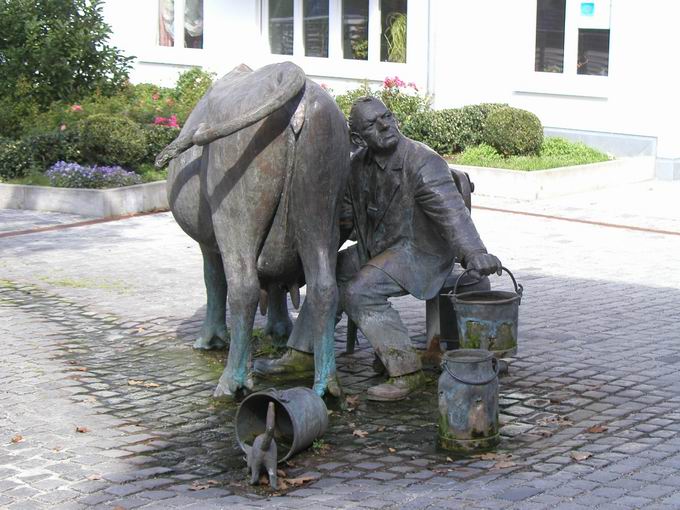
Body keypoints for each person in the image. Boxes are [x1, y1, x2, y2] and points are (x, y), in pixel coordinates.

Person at [255, 97, 502, 401]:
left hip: (420, 251)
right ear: (358, 138)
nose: (386, 125)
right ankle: (303, 353)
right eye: (374, 123)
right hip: (378, 248)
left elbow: (451, 212)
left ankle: (406, 370)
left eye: (387, 116)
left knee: (360, 290)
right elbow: (344, 221)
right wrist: (304, 260)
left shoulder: (423, 162)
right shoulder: (357, 166)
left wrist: (475, 253)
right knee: (326, 274)